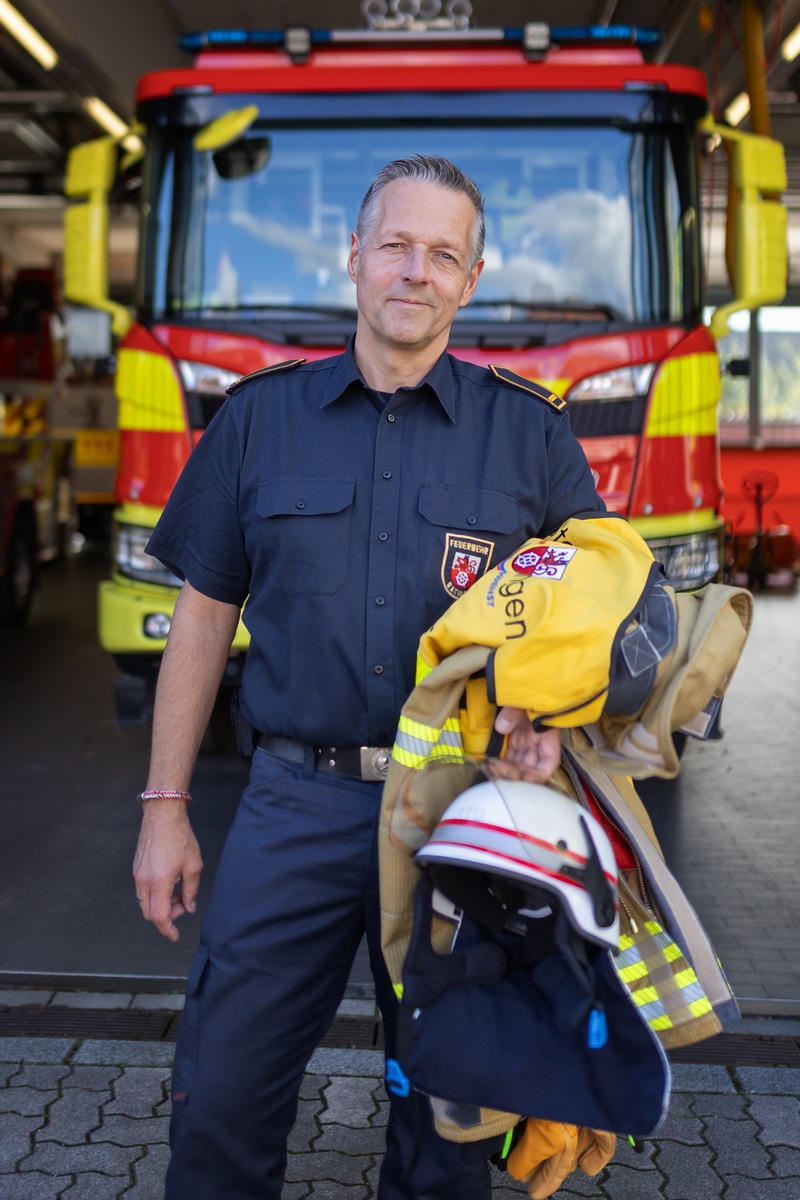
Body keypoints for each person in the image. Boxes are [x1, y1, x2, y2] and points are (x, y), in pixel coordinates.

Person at [133, 153, 605, 1199]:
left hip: (460, 807)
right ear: (351, 256)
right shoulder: (258, 419)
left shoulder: (528, 434)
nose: (415, 271)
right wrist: (164, 805)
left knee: (445, 1125)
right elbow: (201, 623)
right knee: (219, 1100)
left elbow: (600, 602)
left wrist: (551, 717)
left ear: (470, 280)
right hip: (292, 804)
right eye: (395, 243)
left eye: (443, 254)